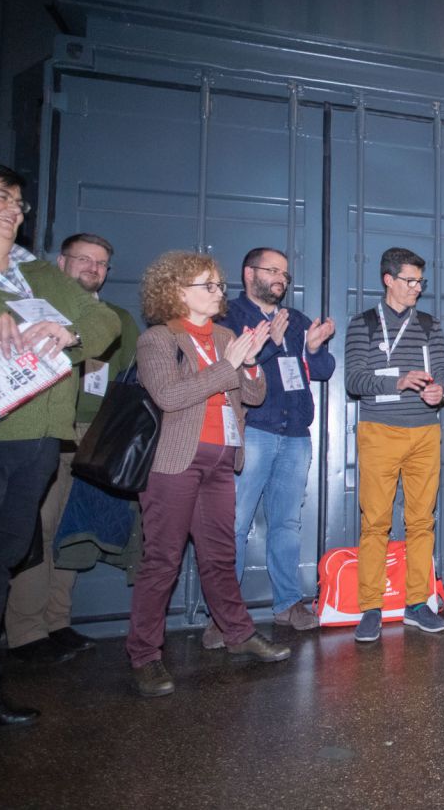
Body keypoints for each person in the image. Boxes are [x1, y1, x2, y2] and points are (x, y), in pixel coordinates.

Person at [0, 159, 119, 777]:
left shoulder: (35, 271)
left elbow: (101, 317)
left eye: (19, 202)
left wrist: (68, 335)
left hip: (36, 439)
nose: (13, 209)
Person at [126, 251, 289, 698]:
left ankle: (237, 634)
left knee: (219, 556)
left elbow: (252, 395)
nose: (219, 292)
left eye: (219, 285)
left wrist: (250, 360)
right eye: (209, 286)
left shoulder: (224, 336)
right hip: (174, 464)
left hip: (221, 462)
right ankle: (144, 655)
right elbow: (170, 395)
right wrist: (226, 366)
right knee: (162, 561)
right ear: (178, 292)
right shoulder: (159, 340)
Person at [4, 233, 140, 666]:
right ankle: (26, 632)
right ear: (60, 263)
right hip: (49, 431)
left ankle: (57, 621)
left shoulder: (116, 318)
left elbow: (129, 384)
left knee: (71, 531)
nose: (92, 268)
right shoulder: (34, 313)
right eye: (83, 259)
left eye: (101, 263)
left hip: (97, 438)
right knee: (38, 532)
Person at [215, 247, 335, 638]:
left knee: (287, 522)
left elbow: (322, 371)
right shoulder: (229, 316)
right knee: (233, 522)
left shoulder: (297, 320)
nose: (281, 277)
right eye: (272, 270)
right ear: (249, 273)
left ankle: (287, 603)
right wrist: (270, 343)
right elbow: (232, 370)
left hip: (295, 434)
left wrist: (314, 348)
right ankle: (223, 616)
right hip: (253, 431)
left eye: (284, 271)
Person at [344, 247, 444, 642]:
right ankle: (370, 607)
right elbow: (354, 380)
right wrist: (398, 382)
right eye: (410, 281)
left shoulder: (429, 324)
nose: (417, 289)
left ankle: (417, 603)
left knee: (422, 521)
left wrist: (439, 391)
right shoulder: (363, 325)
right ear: (388, 279)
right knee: (376, 522)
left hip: (425, 433)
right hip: (380, 431)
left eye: (420, 282)